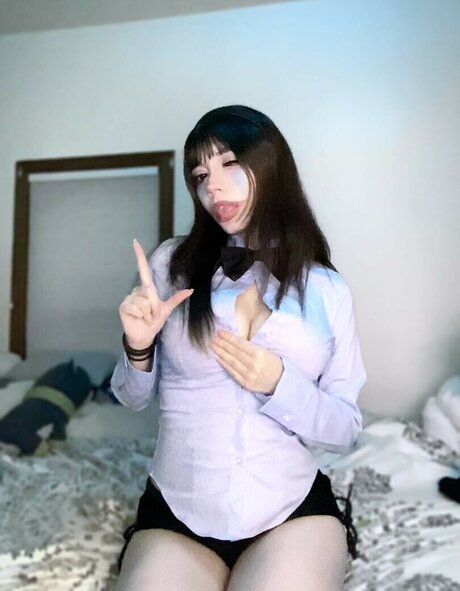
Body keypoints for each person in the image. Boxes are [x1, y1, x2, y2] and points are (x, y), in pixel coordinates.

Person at [111, 104, 367, 591]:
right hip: (177, 512)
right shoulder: (169, 266)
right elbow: (130, 397)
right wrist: (138, 347)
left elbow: (345, 429)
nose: (213, 187)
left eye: (229, 164)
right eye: (200, 175)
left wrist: (279, 384)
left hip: (290, 512)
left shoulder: (327, 290)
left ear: (270, 165)